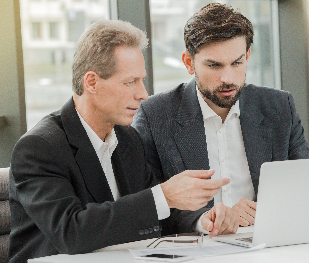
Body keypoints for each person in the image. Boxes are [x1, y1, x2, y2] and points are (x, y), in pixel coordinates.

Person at [8, 20, 238, 263]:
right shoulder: (39, 147)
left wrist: (202, 220)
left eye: (142, 80)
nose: (143, 94)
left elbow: (152, 212)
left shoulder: (127, 139)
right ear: (91, 82)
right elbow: (71, 232)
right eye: (130, 82)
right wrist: (164, 195)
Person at [133, 3, 309, 229]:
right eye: (214, 65)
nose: (228, 78)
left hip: (266, 242)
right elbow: (147, 202)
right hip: (196, 247)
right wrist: (202, 221)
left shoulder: (279, 107)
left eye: (237, 63)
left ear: (247, 56)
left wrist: (266, 212)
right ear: (189, 63)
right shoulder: (156, 115)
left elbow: (308, 186)